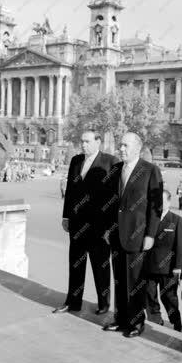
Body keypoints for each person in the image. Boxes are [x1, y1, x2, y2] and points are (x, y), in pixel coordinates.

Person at [102, 132, 162, 338]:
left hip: (138, 235)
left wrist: (150, 235)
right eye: (120, 145)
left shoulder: (150, 170)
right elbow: (110, 203)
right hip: (117, 234)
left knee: (135, 282)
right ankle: (120, 319)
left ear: (138, 147)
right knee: (119, 279)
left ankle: (136, 322)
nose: (121, 149)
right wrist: (108, 229)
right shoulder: (116, 169)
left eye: (126, 146)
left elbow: (156, 207)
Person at [55, 131, 117, 315]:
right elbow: (71, 192)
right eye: (81, 141)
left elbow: (114, 198)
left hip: (100, 227)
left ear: (98, 142)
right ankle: (72, 302)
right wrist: (66, 216)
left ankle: (104, 304)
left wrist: (110, 227)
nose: (83, 145)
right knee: (76, 265)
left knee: (101, 267)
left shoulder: (110, 162)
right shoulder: (75, 161)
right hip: (76, 224)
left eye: (87, 141)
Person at [143, 189, 182, 330]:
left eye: (162, 201)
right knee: (149, 295)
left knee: (169, 298)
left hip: (168, 268)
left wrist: (178, 267)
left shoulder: (177, 220)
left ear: (169, 201)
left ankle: (176, 322)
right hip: (148, 265)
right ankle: (155, 321)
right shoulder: (148, 218)